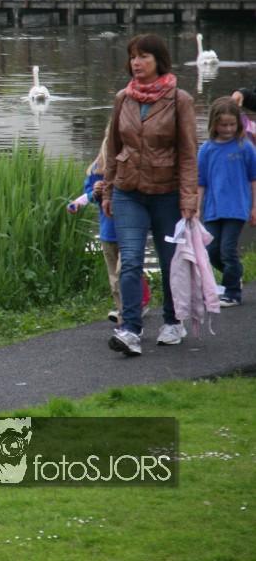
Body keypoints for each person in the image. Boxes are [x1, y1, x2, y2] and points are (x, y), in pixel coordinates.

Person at [102, 33, 198, 356]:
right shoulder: (123, 98)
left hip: (167, 194)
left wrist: (189, 199)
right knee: (130, 261)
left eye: (143, 56)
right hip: (127, 192)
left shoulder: (179, 100)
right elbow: (113, 148)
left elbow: (188, 154)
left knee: (170, 262)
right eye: (133, 56)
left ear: (159, 60)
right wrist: (107, 190)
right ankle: (130, 329)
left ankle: (173, 321)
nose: (136, 62)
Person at [67, 127, 151, 323]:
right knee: (114, 277)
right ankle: (124, 314)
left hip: (129, 230)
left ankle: (133, 310)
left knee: (126, 271)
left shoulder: (133, 169)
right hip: (108, 232)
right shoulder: (97, 171)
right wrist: (86, 198)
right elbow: (90, 195)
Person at [196, 97, 256, 307]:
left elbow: (254, 178)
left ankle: (232, 293)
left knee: (227, 250)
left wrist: (254, 207)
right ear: (214, 124)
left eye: (232, 124)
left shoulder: (244, 147)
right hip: (213, 209)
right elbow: (201, 182)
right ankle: (234, 275)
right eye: (224, 125)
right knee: (211, 251)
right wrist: (196, 208)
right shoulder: (206, 149)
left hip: (236, 208)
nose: (228, 129)